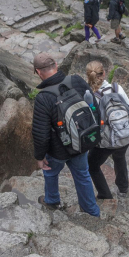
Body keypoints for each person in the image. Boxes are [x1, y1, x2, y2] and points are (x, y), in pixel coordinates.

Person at [31, 53, 100, 216]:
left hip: (58, 150)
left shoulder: (43, 97)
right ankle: (92, 212)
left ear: (38, 72)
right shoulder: (76, 80)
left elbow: (41, 132)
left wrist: (40, 157)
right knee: (83, 175)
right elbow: (93, 106)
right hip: (82, 142)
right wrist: (92, 134)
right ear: (56, 64)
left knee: (50, 172)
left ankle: (52, 201)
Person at [85, 61, 129, 200]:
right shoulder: (116, 88)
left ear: (88, 75)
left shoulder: (88, 95)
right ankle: (123, 188)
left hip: (104, 142)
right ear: (104, 73)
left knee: (92, 165)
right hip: (124, 135)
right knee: (119, 157)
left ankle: (105, 194)